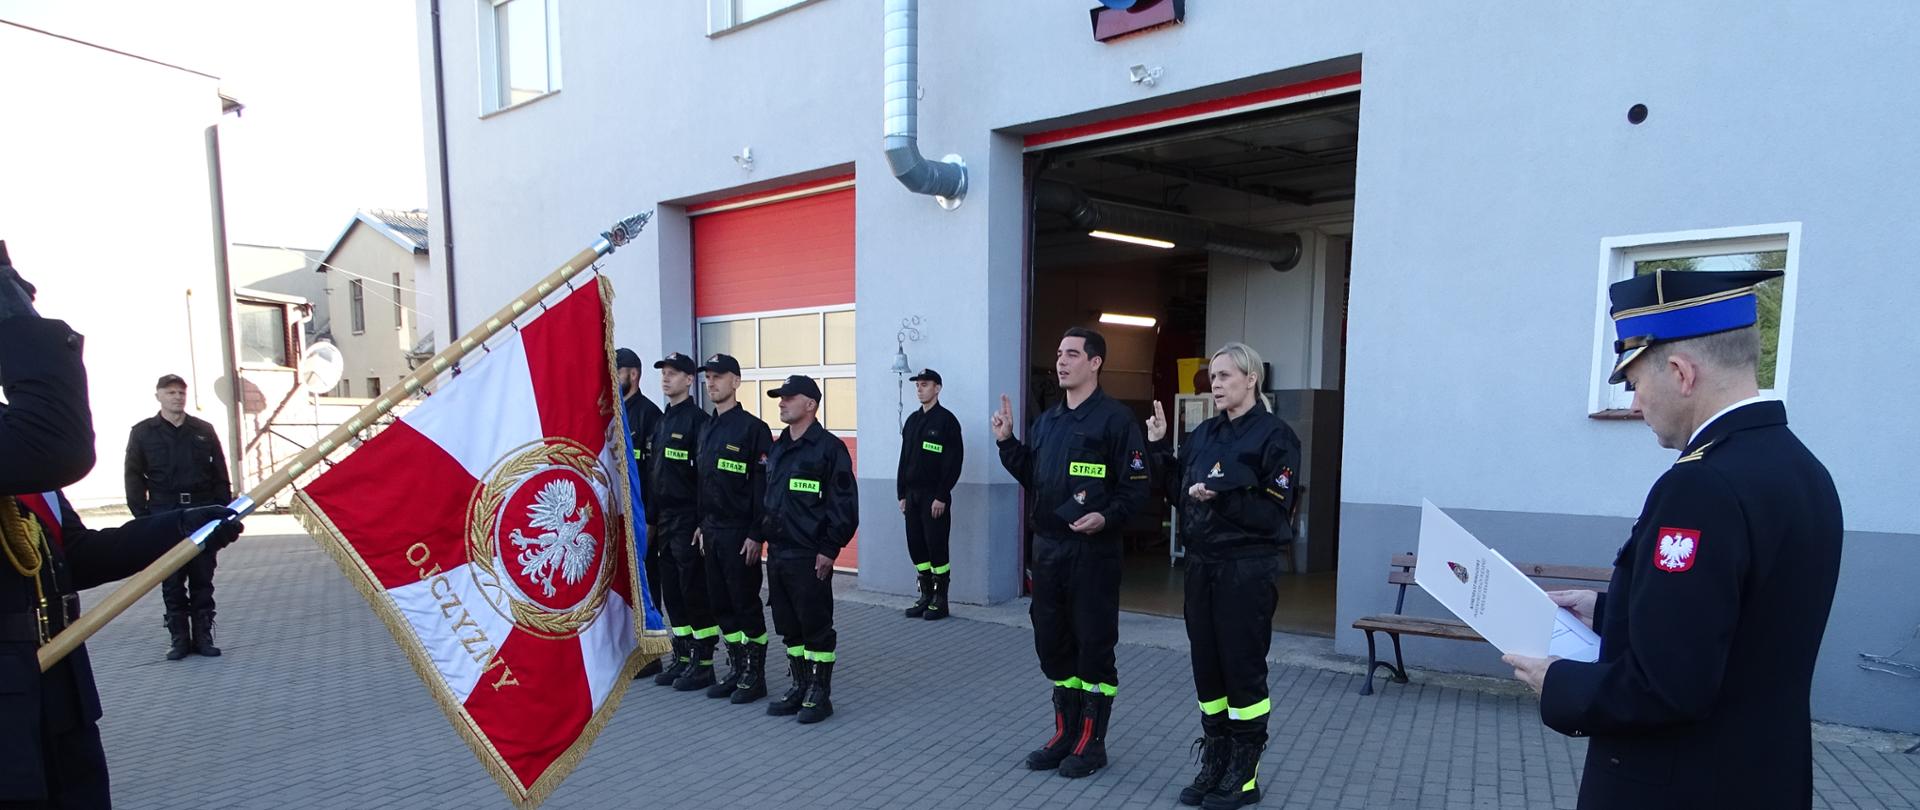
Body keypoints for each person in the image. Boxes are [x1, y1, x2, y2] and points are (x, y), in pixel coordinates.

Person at [1502, 269, 1842, 809]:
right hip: (1762, 778)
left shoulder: (1702, 485)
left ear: (1681, 373)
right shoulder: (1801, 468)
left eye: (1635, 384)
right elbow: (1739, 623)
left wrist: (1560, 684)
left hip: (1681, 786)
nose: (1635, 405)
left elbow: (1668, 687)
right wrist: (1608, 611)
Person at [2, 242, 243, 807]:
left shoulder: (17, 457)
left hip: (55, 695)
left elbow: (77, 556)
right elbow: (58, 440)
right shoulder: (26, 446)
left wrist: (186, 528)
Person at [1145, 343, 1300, 809]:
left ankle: (1244, 772)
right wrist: (1157, 447)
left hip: (1245, 570)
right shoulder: (1205, 433)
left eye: (1225, 375)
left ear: (1251, 379)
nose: (1215, 383)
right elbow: (1178, 492)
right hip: (1201, 567)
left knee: (1242, 669)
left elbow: (1276, 515)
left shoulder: (1276, 437)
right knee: (1207, 668)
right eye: (1212, 376)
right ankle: (1215, 758)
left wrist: (1223, 498)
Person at [992, 327, 1149, 778]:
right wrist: (1007, 443)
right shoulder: (1049, 421)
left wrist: (1108, 517)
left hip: (1093, 554)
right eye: (1059, 353)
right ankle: (1065, 733)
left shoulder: (1115, 421)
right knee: (1052, 644)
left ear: (1095, 362)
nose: (1061, 362)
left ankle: (1091, 743)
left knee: (1093, 647)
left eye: (1073, 354)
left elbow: (1136, 487)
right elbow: (1034, 477)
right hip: (1049, 551)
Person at [759, 375, 857, 725]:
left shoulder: (829, 449)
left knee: (815, 625)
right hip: (779, 552)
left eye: (788, 397)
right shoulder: (778, 446)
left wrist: (830, 549)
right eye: (780, 398)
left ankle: (819, 693)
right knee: (789, 626)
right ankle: (799, 685)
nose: (781, 402)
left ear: (811, 404)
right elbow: (767, 499)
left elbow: (844, 505)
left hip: (809, 554)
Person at [124, 373, 232, 660]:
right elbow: (133, 476)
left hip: (201, 510)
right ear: (158, 395)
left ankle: (204, 637)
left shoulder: (203, 430)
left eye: (181, 392)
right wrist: (143, 516)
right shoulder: (143, 432)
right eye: (170, 392)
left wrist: (222, 509)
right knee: (171, 578)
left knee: (202, 576)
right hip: (165, 513)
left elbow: (220, 472)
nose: (177, 397)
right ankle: (179, 639)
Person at [693, 354, 773, 703]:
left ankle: (755, 677)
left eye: (719, 377)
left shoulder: (753, 429)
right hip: (711, 531)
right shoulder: (707, 427)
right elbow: (703, 482)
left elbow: (763, 489)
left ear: (737, 382)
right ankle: (737, 668)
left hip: (740, 534)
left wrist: (757, 533)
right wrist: (700, 524)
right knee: (721, 605)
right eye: (708, 378)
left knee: (745, 604)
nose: (711, 383)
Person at [642, 352, 716, 689]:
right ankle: (682, 656)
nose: (666, 379)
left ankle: (704, 662)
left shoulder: (698, 421)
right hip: (666, 519)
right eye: (664, 374)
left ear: (689, 380)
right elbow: (656, 476)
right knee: (671, 590)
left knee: (693, 590)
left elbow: (705, 478)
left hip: (688, 518)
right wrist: (653, 521)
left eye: (674, 374)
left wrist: (702, 521)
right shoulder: (662, 421)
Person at [895, 368, 963, 620]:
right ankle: (925, 596)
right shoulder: (912, 421)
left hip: (933, 497)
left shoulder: (946, 421)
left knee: (936, 548)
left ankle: (940, 601)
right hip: (912, 497)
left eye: (925, 384)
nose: (920, 389)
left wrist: (942, 496)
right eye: (918, 385)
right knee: (917, 547)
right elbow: (904, 459)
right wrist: (901, 493)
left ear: (937, 388)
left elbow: (954, 462)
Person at [614, 348, 666, 678]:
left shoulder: (649, 415)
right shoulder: (611, 414)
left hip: (643, 519)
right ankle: (631, 648)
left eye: (616, 372)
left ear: (632, 374)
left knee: (649, 585)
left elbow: (654, 475)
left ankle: (653, 653)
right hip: (617, 519)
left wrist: (651, 519)